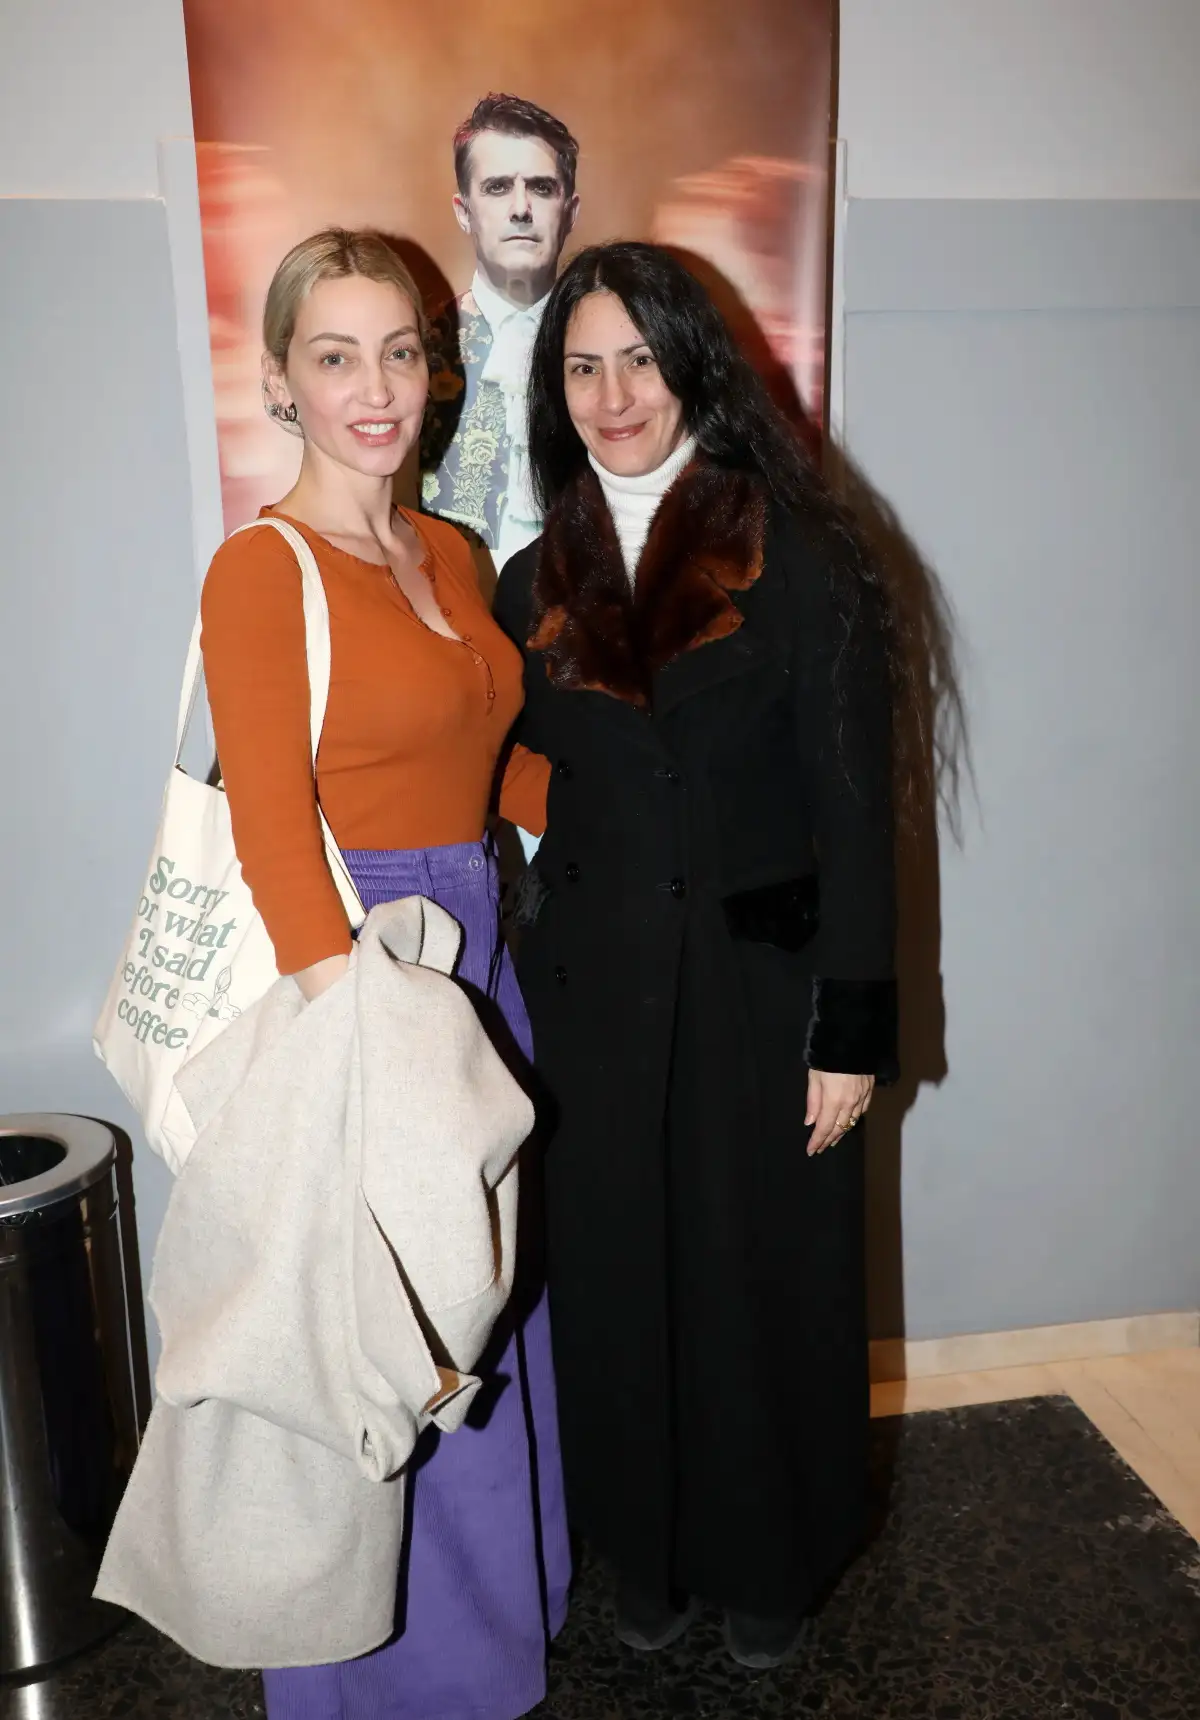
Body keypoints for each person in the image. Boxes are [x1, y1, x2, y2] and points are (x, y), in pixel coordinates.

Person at [493, 242, 907, 1671]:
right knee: (622, 1286)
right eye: (582, 367)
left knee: (762, 1285)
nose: (613, 395)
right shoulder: (528, 581)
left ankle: (771, 1566)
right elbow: (512, 768)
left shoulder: (804, 561)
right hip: (597, 1004)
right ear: (554, 390)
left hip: (763, 996)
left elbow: (858, 819)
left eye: (640, 360)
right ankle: (648, 1550)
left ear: (694, 368)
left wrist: (849, 1031)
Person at [200, 227, 570, 1720]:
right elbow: (273, 828)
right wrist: (352, 1032)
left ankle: (494, 1637)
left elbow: (493, 759)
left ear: (436, 370)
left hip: (477, 960)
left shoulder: (449, 552)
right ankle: (380, 1682)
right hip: (361, 974)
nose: (374, 387)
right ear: (280, 379)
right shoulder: (262, 568)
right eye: (336, 355)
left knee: (478, 1295)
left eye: (401, 352)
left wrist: (643, 814)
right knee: (384, 1328)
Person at [421, 93, 580, 568]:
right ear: (463, 210)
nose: (520, 209)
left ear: (570, 212)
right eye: (497, 187)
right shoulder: (415, 351)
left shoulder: (618, 350)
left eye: (541, 188)